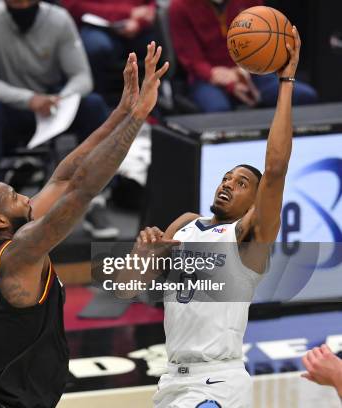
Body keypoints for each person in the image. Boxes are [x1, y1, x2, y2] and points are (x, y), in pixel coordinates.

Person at [0, 42, 168, 408]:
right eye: (15, 196)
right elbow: (82, 190)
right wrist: (138, 119)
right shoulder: (20, 252)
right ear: (0, 220)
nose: (27, 198)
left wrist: (120, 112)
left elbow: (64, 178)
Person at [126, 27, 300, 408]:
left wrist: (285, 81)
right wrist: (143, 256)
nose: (227, 184)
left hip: (217, 383)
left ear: (256, 201)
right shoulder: (185, 223)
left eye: (240, 183)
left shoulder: (249, 237)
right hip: (171, 379)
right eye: (225, 178)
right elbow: (127, 290)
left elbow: (275, 168)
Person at [0, 0, 120, 239]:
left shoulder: (59, 19)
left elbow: (82, 76)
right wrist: (29, 99)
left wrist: (60, 99)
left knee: (93, 105)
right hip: (8, 107)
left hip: (49, 107)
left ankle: (96, 200)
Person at [169, 0, 317, 113]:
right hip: (207, 78)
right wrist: (229, 82)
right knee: (219, 110)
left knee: (304, 96)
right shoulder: (179, 7)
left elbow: (265, 39)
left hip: (252, 70)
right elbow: (192, 60)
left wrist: (245, 70)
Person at [62, 0, 156, 90]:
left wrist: (139, 22)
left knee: (157, 45)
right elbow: (74, 6)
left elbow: (150, 7)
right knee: (96, 47)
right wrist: (126, 13)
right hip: (96, 26)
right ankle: (97, 97)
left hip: (135, 27)